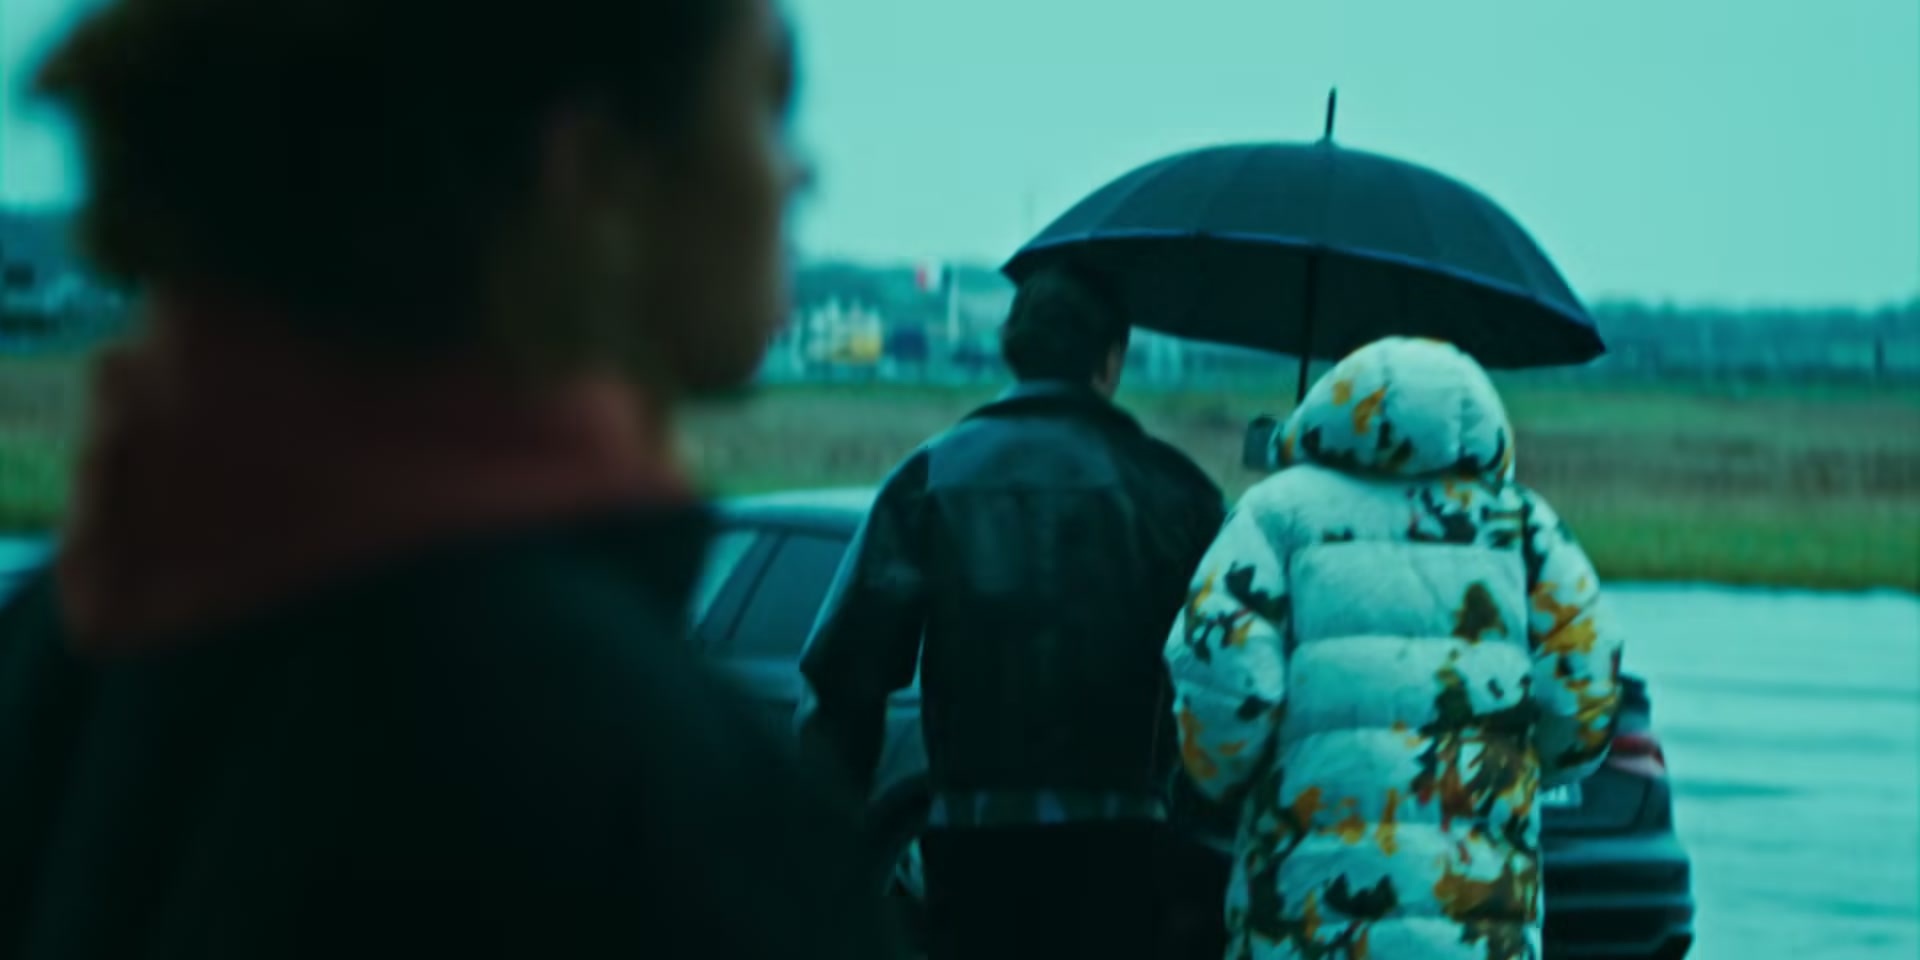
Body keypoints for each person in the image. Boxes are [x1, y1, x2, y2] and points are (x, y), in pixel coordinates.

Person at [0, 2, 902, 959]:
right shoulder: (653, 802)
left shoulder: (68, 652)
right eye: (768, 105)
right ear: (595, 175)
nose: (803, 172)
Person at [795, 264, 1228, 960]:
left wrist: (825, 848)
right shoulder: (1179, 493)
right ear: (1111, 360)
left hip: (971, 850)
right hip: (1128, 856)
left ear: (1011, 351)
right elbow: (1223, 680)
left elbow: (847, 678)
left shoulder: (929, 478)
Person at [1163, 336, 1625, 960]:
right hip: (1477, 922)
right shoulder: (1525, 528)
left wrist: (1225, 780)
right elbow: (1585, 692)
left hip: (1310, 913)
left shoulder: (1275, 515)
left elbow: (1223, 680)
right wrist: (1509, 767)